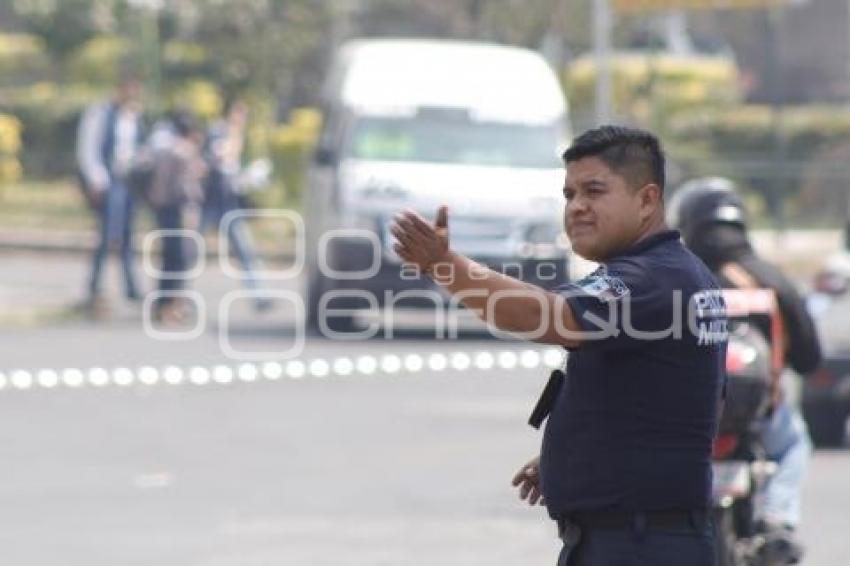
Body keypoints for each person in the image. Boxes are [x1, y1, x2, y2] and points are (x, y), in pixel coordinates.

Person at [391, 126, 726, 566]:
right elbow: (674, 404)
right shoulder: (677, 272)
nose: (578, 207)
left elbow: (541, 315)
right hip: (636, 536)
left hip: (639, 545)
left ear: (647, 199)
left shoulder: (652, 279)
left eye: (595, 191)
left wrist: (444, 266)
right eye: (569, 194)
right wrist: (578, 456)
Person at [668, 177, 823, 562]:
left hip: (683, 413)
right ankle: (776, 519)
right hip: (755, 416)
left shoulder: (673, 277)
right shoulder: (771, 278)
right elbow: (808, 359)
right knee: (793, 444)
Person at [76, 73, 146, 314]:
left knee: (127, 235)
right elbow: (88, 148)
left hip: (128, 182)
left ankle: (131, 286)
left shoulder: (134, 116)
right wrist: (96, 179)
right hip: (109, 180)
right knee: (108, 235)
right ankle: (95, 285)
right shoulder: (101, 113)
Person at [201, 98, 271, 312]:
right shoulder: (218, 132)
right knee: (191, 246)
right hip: (212, 199)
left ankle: (258, 294)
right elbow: (217, 160)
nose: (241, 119)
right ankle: (175, 295)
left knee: (244, 249)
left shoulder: (238, 135)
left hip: (230, 200)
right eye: (239, 114)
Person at [145, 111, 206, 324]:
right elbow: (190, 186)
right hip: (181, 210)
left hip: (164, 209)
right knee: (180, 261)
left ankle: (164, 305)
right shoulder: (185, 151)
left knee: (168, 259)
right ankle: (172, 306)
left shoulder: (165, 149)